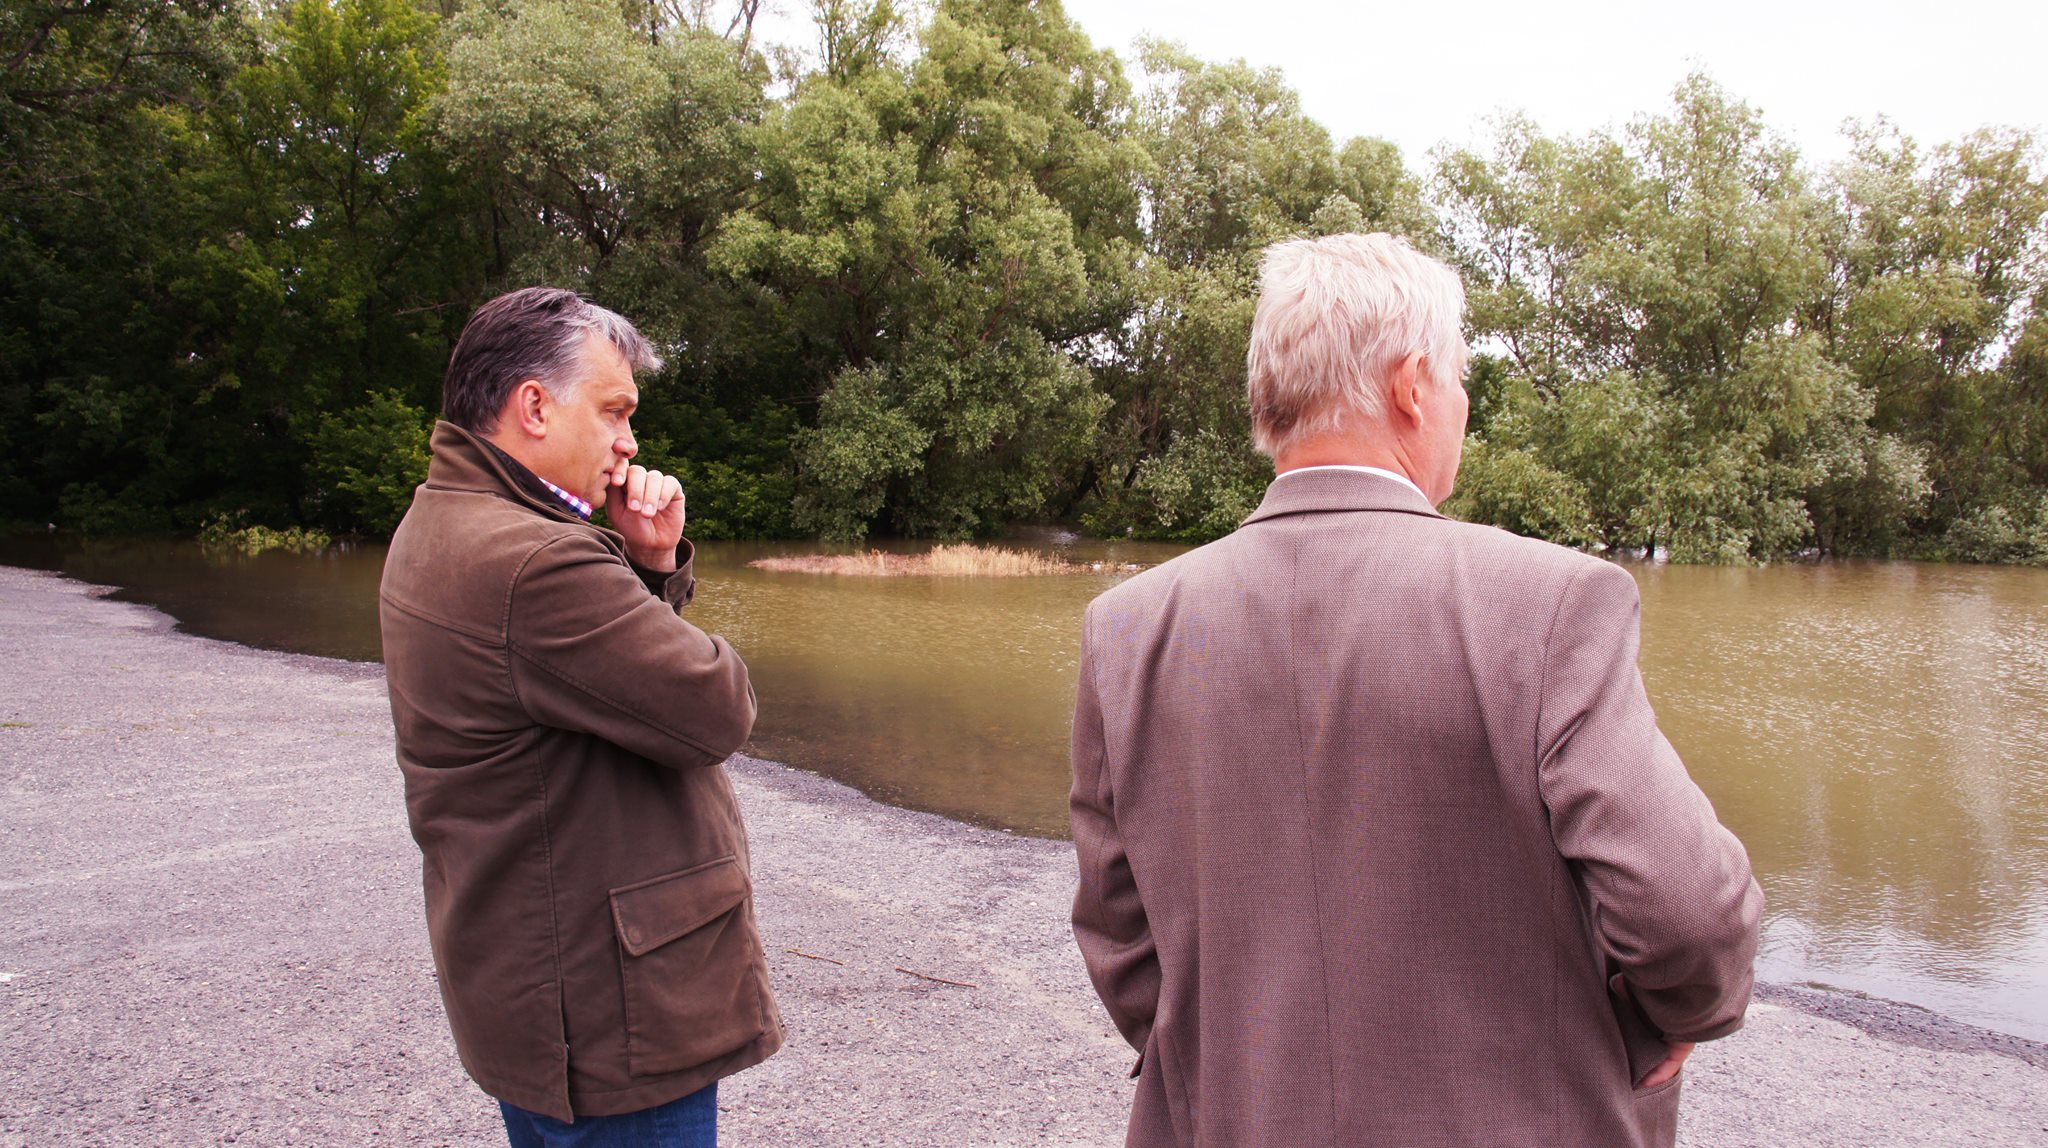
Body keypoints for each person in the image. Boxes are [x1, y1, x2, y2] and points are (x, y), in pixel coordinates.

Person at [1069, 233, 1762, 1147]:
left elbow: (1123, 944)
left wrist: (1241, 1063)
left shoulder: (1128, 627)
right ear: (1411, 385)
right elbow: (1686, 915)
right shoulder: (1550, 603)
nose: (1464, 405)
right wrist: (1670, 1017)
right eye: (1462, 379)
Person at [379, 288, 780, 1146]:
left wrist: (648, 565)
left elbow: (593, 694)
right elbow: (715, 709)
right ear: (533, 406)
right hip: (607, 1020)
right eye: (613, 411)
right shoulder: (536, 562)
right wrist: (654, 571)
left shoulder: (444, 519)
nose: (629, 442)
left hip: (532, 984)